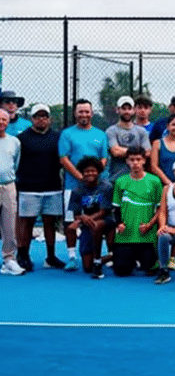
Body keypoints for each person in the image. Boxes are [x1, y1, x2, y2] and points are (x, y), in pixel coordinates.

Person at [15, 104, 65, 270]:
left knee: (49, 223)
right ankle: (23, 255)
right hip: (28, 188)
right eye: (38, 116)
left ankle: (50, 257)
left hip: (53, 187)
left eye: (44, 116)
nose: (41, 119)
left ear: (49, 119)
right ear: (32, 119)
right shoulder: (22, 139)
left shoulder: (58, 137)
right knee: (26, 223)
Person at [58, 99, 108, 257]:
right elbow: (64, 159)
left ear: (92, 113)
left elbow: (104, 159)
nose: (84, 115)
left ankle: (98, 254)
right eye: (80, 111)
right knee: (70, 221)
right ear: (75, 113)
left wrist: (93, 178)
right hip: (73, 185)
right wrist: (82, 177)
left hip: (96, 187)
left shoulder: (100, 134)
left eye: (87, 111)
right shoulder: (67, 134)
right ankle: (72, 256)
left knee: (99, 219)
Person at [110, 147, 163, 278]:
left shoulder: (155, 181)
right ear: (127, 161)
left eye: (138, 159)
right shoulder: (120, 181)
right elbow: (116, 208)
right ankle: (126, 259)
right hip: (126, 235)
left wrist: (149, 225)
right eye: (132, 160)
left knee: (150, 270)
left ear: (144, 161)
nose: (135, 163)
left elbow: (160, 209)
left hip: (147, 235)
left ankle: (141, 259)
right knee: (121, 271)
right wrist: (119, 224)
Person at [65, 157, 114, 277]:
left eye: (93, 171)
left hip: (106, 221)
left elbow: (103, 211)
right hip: (87, 223)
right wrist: (82, 218)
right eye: (87, 171)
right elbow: (76, 213)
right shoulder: (77, 190)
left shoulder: (106, 187)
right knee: (87, 267)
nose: (90, 173)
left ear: (99, 172)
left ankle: (98, 261)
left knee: (97, 225)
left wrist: (86, 219)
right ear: (82, 172)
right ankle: (109, 257)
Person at [106, 95, 151, 179]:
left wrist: (125, 152)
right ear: (117, 110)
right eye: (124, 108)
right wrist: (138, 153)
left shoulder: (141, 131)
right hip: (116, 178)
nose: (127, 111)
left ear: (133, 110)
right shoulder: (111, 130)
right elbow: (115, 151)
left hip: (138, 178)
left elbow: (148, 152)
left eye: (129, 108)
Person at [0, 108, 19, 276]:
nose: (1, 122)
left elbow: (16, 164)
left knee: (9, 225)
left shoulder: (14, 142)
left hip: (8, 186)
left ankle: (9, 260)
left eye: (4, 120)